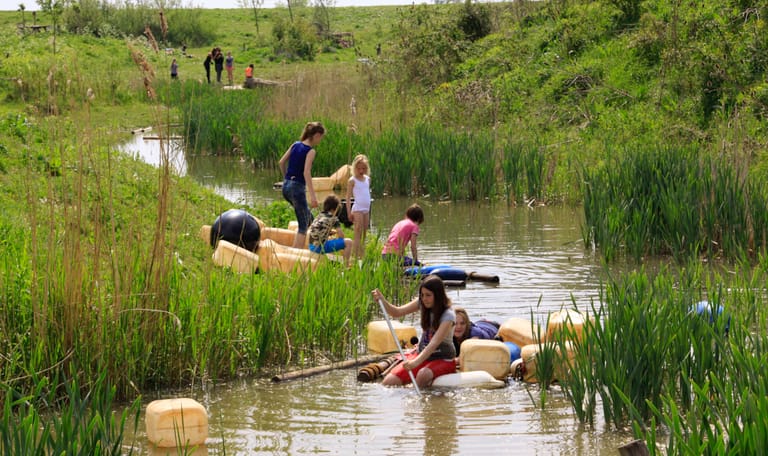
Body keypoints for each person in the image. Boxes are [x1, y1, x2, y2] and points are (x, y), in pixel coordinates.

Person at [371, 275, 456, 389]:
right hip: (421, 356)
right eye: (422, 295)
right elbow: (397, 312)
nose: (424, 299)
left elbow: (434, 343)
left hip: (443, 359)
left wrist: (415, 362)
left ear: (438, 296)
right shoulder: (422, 302)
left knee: (423, 374)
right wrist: (382, 300)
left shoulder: (448, 315)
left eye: (428, 295)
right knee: (389, 381)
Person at [278, 121, 326, 249]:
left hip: (286, 187)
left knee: (309, 218)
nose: (320, 140)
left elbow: (281, 162)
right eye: (321, 137)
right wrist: (313, 197)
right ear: (316, 135)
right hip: (297, 188)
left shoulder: (295, 145)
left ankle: (313, 247)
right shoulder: (310, 151)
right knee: (303, 225)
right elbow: (306, 172)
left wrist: (286, 179)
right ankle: (295, 255)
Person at [308, 195, 352, 266]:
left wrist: (330, 233)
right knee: (349, 242)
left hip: (311, 246)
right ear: (334, 209)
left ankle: (331, 261)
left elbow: (318, 230)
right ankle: (346, 266)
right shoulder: (333, 218)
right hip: (319, 248)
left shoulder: (319, 215)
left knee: (331, 239)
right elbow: (341, 236)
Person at [345, 154, 371, 262]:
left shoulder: (368, 179)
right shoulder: (352, 180)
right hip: (357, 208)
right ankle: (354, 257)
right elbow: (348, 197)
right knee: (358, 231)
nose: (361, 170)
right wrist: (348, 212)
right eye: (359, 168)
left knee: (365, 232)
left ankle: (362, 254)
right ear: (355, 168)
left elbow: (366, 193)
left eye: (363, 168)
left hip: (366, 208)